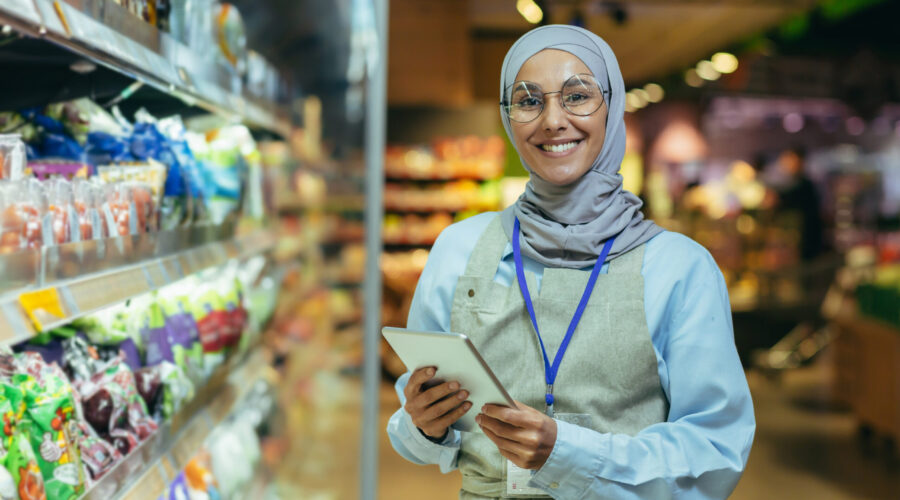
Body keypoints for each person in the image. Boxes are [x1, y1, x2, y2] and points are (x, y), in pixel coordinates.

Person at [386, 25, 755, 499]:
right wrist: (424, 425)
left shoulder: (679, 269)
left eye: (577, 96)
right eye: (528, 100)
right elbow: (416, 427)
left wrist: (568, 453)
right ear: (507, 116)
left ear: (612, 106)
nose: (553, 120)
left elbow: (715, 451)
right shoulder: (459, 250)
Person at [775, 147, 824, 261]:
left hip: (805, 241)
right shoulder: (798, 184)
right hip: (803, 240)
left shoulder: (804, 185)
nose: (786, 163)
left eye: (789, 159)